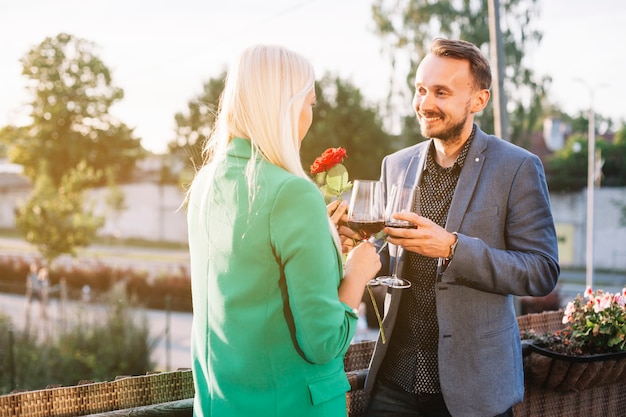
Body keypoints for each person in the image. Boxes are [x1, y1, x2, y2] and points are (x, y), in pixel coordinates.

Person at [361, 38, 560, 417]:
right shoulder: (394, 165)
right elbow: (383, 257)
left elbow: (541, 271)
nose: (425, 103)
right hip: (393, 384)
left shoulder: (517, 167)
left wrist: (453, 248)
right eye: (420, 90)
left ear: (478, 101)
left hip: (474, 391)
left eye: (441, 92)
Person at [185, 44, 381, 417]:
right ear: (286, 106)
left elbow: (252, 285)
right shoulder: (293, 193)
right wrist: (356, 273)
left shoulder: (206, 184)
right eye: (309, 103)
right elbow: (324, 342)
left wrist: (325, 246)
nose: (310, 115)